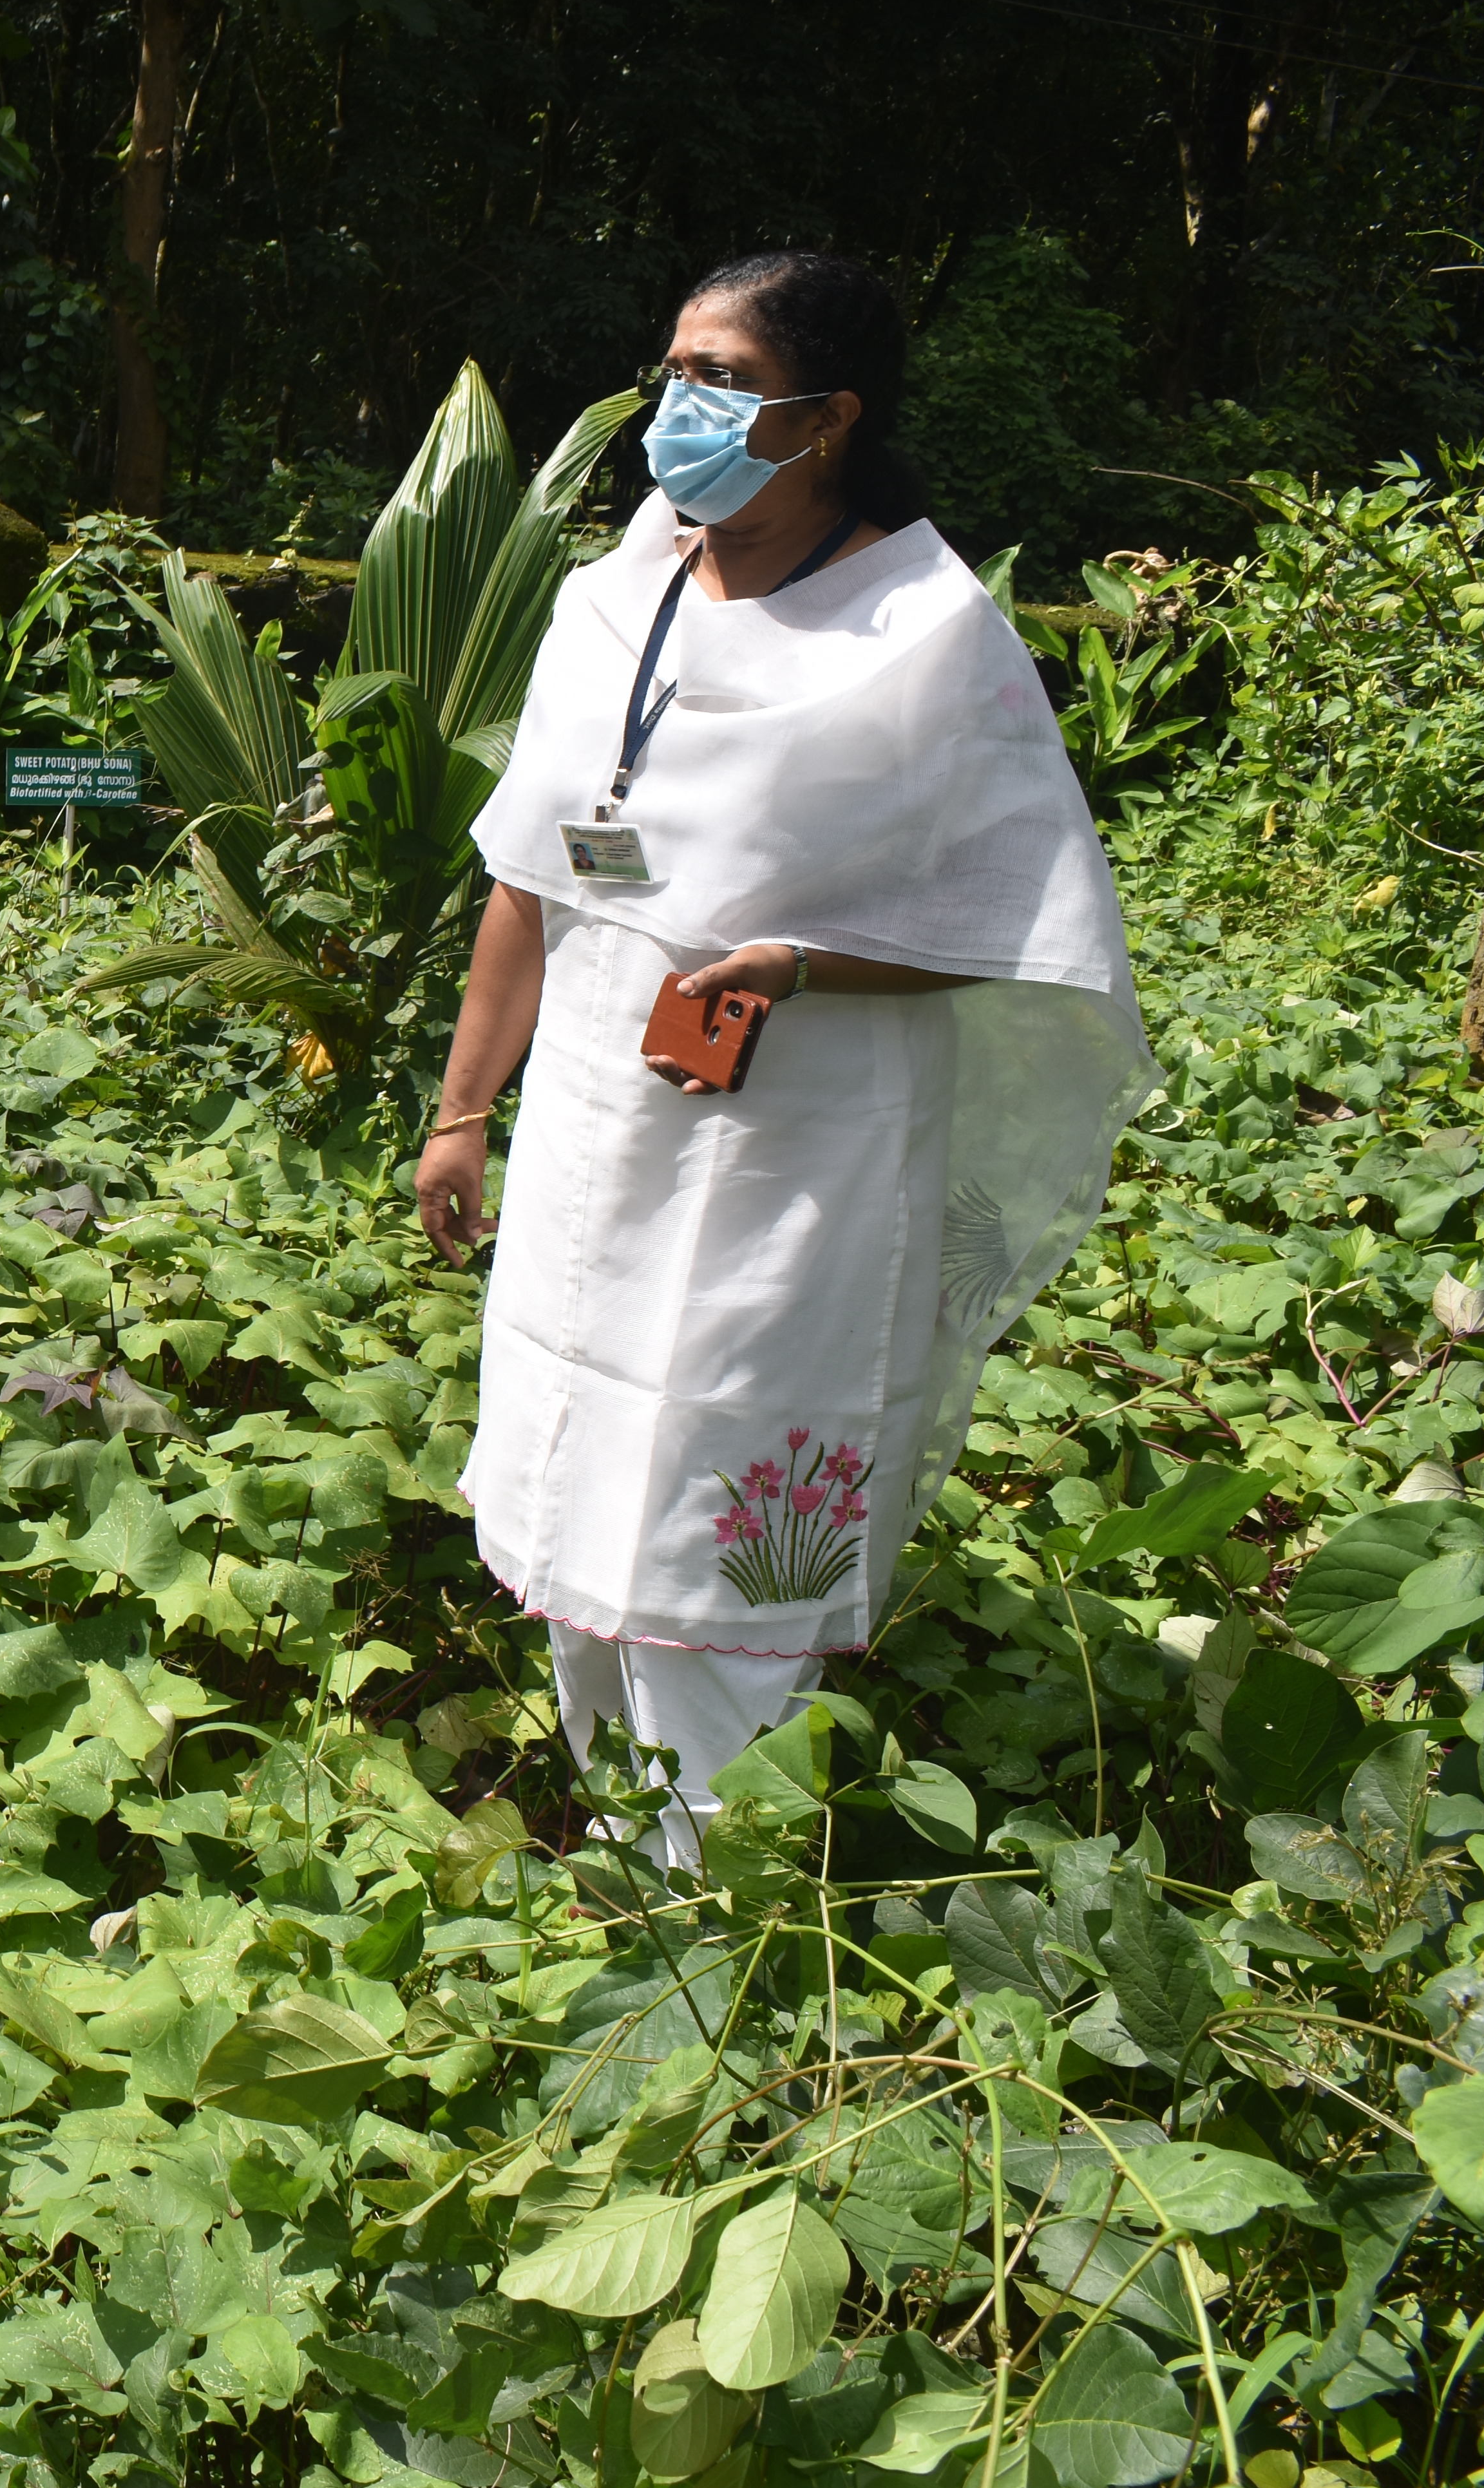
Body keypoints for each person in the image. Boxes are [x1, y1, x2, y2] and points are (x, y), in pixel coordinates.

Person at [418, 249, 1152, 1858]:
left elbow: (1017, 923)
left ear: (829, 418)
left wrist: (802, 963)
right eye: (676, 369)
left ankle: (721, 1870)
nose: (682, 408)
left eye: (727, 382)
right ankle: (612, 1826)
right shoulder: (612, 599)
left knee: (723, 1451)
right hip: (604, 1117)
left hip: (799, 1147)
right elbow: (532, 878)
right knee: (585, 1427)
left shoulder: (925, 630)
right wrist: (463, 1112)